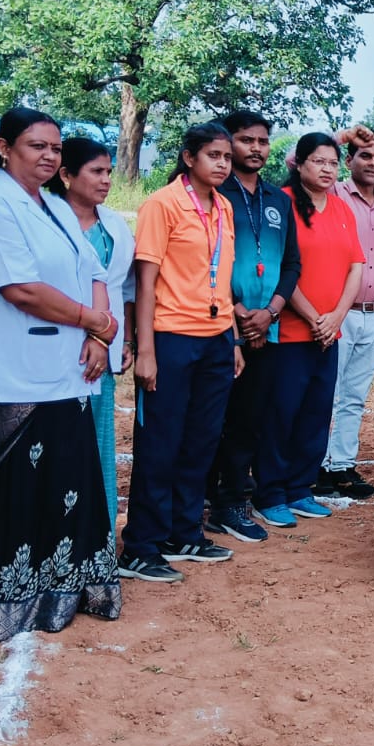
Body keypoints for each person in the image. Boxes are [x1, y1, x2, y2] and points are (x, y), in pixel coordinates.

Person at [0, 107, 120, 639]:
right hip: (8, 377)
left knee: (64, 487)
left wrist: (98, 335)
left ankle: (60, 596)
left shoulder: (56, 208)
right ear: (4, 148)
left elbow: (94, 271)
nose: (48, 155)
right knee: (11, 496)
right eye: (36, 145)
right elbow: (20, 289)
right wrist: (93, 320)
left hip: (68, 373)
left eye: (55, 147)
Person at [121, 122, 241, 582]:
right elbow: (145, 282)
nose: (223, 164)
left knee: (201, 441)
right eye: (214, 155)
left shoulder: (224, 206)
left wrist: (232, 338)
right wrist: (145, 349)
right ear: (189, 158)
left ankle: (183, 532)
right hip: (171, 338)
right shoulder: (162, 204)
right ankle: (141, 546)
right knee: (160, 442)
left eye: (226, 157)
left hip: (216, 338)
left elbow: (221, 278)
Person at [251, 134, 364, 529]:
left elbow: (356, 265)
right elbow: (282, 267)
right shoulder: (281, 204)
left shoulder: (342, 208)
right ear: (298, 164)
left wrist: (336, 317)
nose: (327, 170)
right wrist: (315, 317)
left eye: (333, 163)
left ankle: (300, 488)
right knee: (281, 414)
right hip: (289, 332)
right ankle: (269, 493)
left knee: (316, 414)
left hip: (330, 333)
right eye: (318, 161)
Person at [204, 110, 302, 544]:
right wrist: (240, 310)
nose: (256, 148)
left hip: (268, 329)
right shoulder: (214, 193)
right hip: (221, 326)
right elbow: (206, 260)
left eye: (263, 141)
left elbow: (292, 263)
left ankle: (231, 503)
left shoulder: (278, 199)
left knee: (249, 420)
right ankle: (202, 501)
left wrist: (271, 312)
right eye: (246, 140)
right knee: (212, 419)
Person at [45, 138, 136, 546]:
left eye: (109, 172)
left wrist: (126, 337)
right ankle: (50, 535)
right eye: (96, 171)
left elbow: (126, 288)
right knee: (52, 444)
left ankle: (97, 538)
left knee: (97, 443)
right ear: (66, 175)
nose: (106, 180)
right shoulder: (43, 217)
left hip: (102, 351)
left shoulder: (115, 225)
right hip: (51, 346)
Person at [319, 126, 374, 499]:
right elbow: (297, 162)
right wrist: (342, 136)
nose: (372, 163)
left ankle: (342, 465)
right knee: (327, 392)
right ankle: (317, 464)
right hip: (339, 311)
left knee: (355, 395)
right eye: (365, 156)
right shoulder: (334, 192)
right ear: (349, 161)